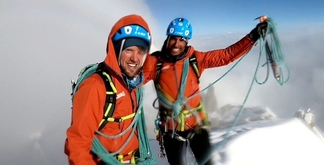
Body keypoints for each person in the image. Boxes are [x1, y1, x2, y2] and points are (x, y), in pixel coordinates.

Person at [143, 17, 267, 165]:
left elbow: (226, 55)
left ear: (187, 42)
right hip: (171, 130)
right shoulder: (154, 62)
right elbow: (132, 81)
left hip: (197, 126)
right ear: (168, 38)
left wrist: (253, 36)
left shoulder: (196, 59)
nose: (177, 44)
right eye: (174, 39)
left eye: (182, 40)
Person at [65, 14, 154, 165]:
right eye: (129, 50)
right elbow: (78, 144)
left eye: (140, 52)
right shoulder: (95, 86)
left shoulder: (133, 82)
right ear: (116, 50)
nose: (135, 58)